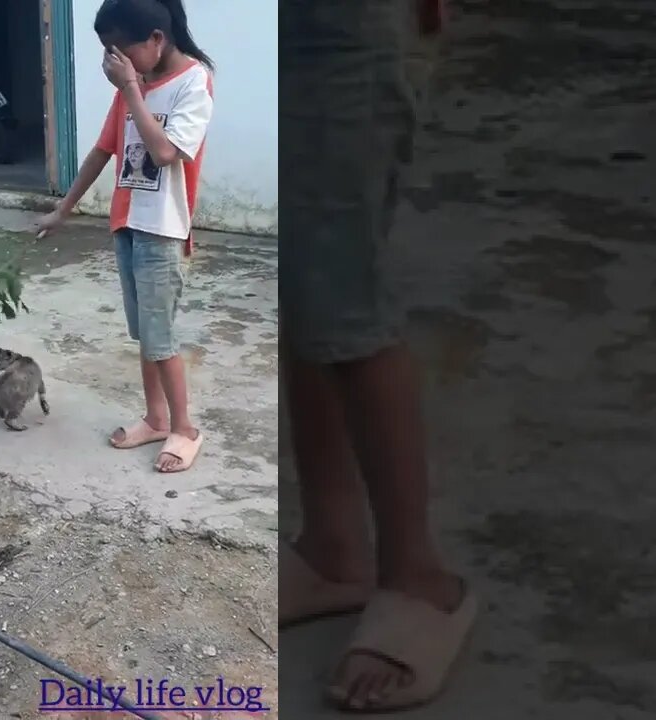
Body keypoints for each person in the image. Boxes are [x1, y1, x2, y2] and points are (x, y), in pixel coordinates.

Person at [281, 0, 477, 713]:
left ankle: (418, 576)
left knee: (342, 293)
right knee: (302, 289)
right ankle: (334, 549)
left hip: (339, 26)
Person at [36, 0, 214, 474]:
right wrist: (64, 209)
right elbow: (103, 149)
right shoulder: (134, 85)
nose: (112, 63)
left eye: (119, 50)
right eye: (105, 53)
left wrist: (133, 89)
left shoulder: (192, 83)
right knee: (144, 334)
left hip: (162, 229)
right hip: (128, 224)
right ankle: (156, 419)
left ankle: (185, 429)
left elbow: (164, 152)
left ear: (156, 39)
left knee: (161, 338)